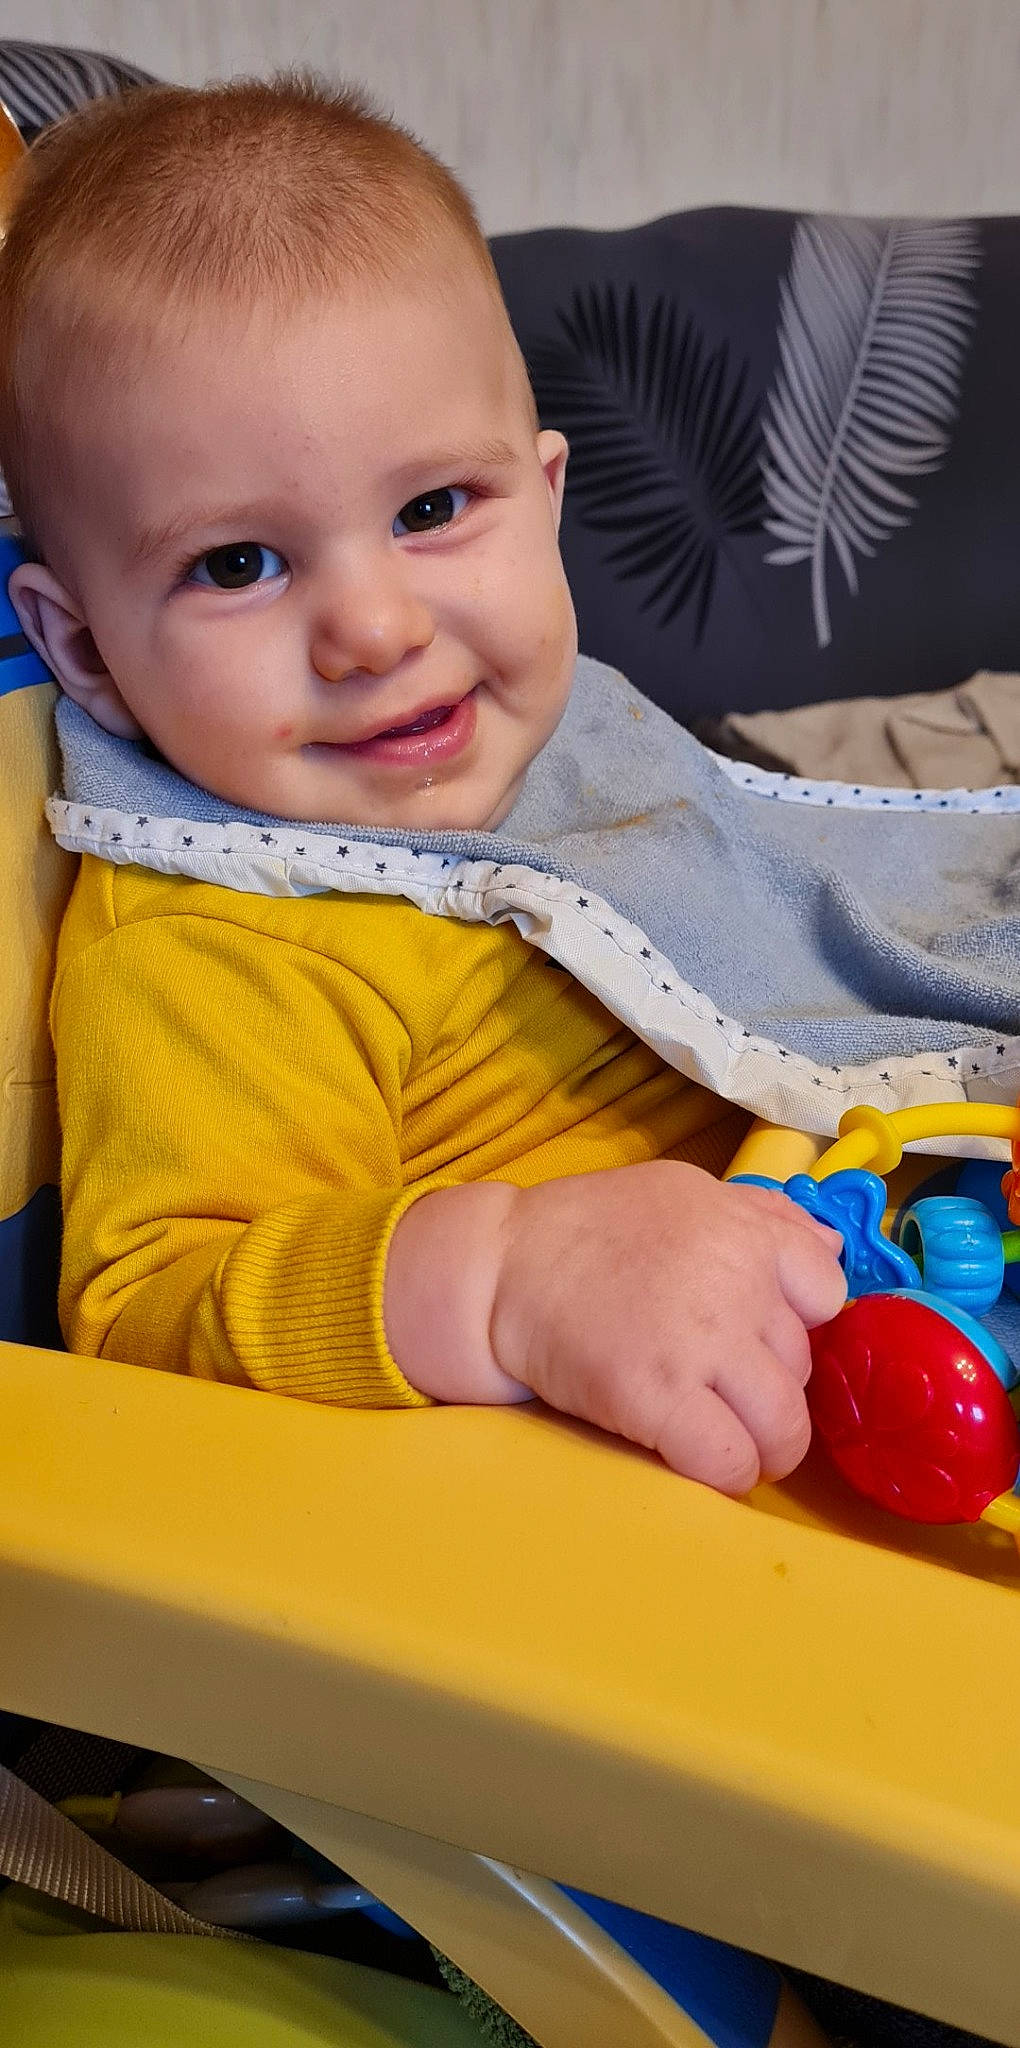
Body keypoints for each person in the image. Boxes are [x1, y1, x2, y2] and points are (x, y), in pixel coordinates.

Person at [0, 75, 845, 1496]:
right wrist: (505, 1277)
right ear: (83, 650)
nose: (377, 630)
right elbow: (151, 1314)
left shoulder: (552, 733)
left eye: (433, 510)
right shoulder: (217, 942)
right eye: (236, 565)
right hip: (598, 1522)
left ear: (549, 494)